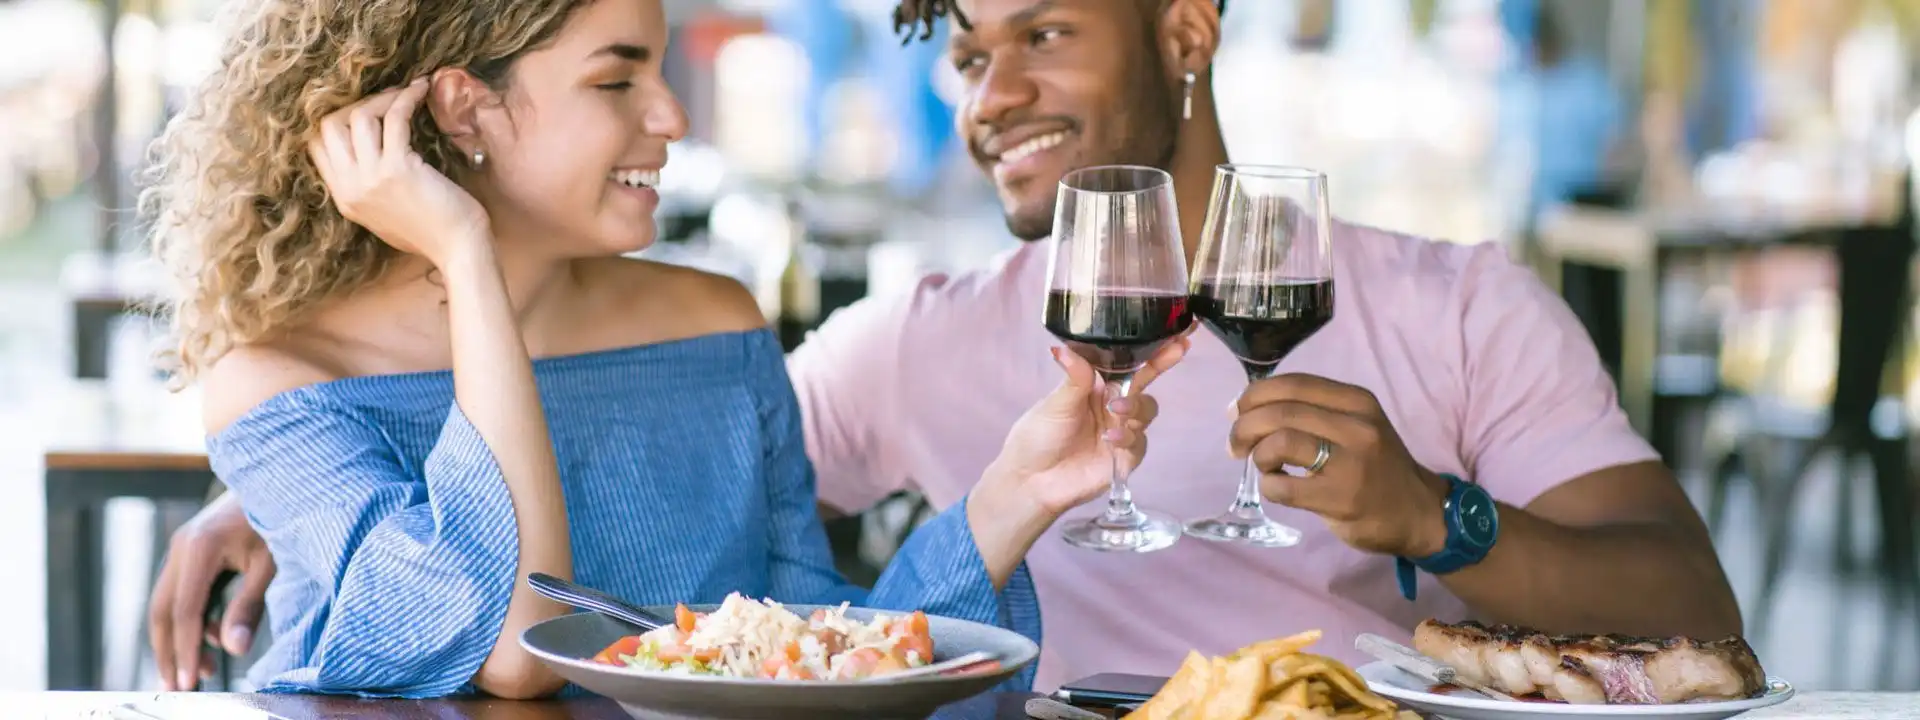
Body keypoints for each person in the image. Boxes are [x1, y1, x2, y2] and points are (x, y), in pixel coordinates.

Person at [152, 0, 1742, 693]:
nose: (989, 98)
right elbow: (759, 603)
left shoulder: (1457, 303)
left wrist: (1436, 523)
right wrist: (292, 483)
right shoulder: (916, 344)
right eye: (969, 55)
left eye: (1042, 34)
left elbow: (1698, 618)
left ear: (1188, 28)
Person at [138, 0, 1185, 697]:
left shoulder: (712, 324)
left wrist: (1012, 498)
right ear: (467, 110)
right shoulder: (280, 382)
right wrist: (466, 255)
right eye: (616, 80)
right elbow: (511, 646)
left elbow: (812, 656)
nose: (673, 114)